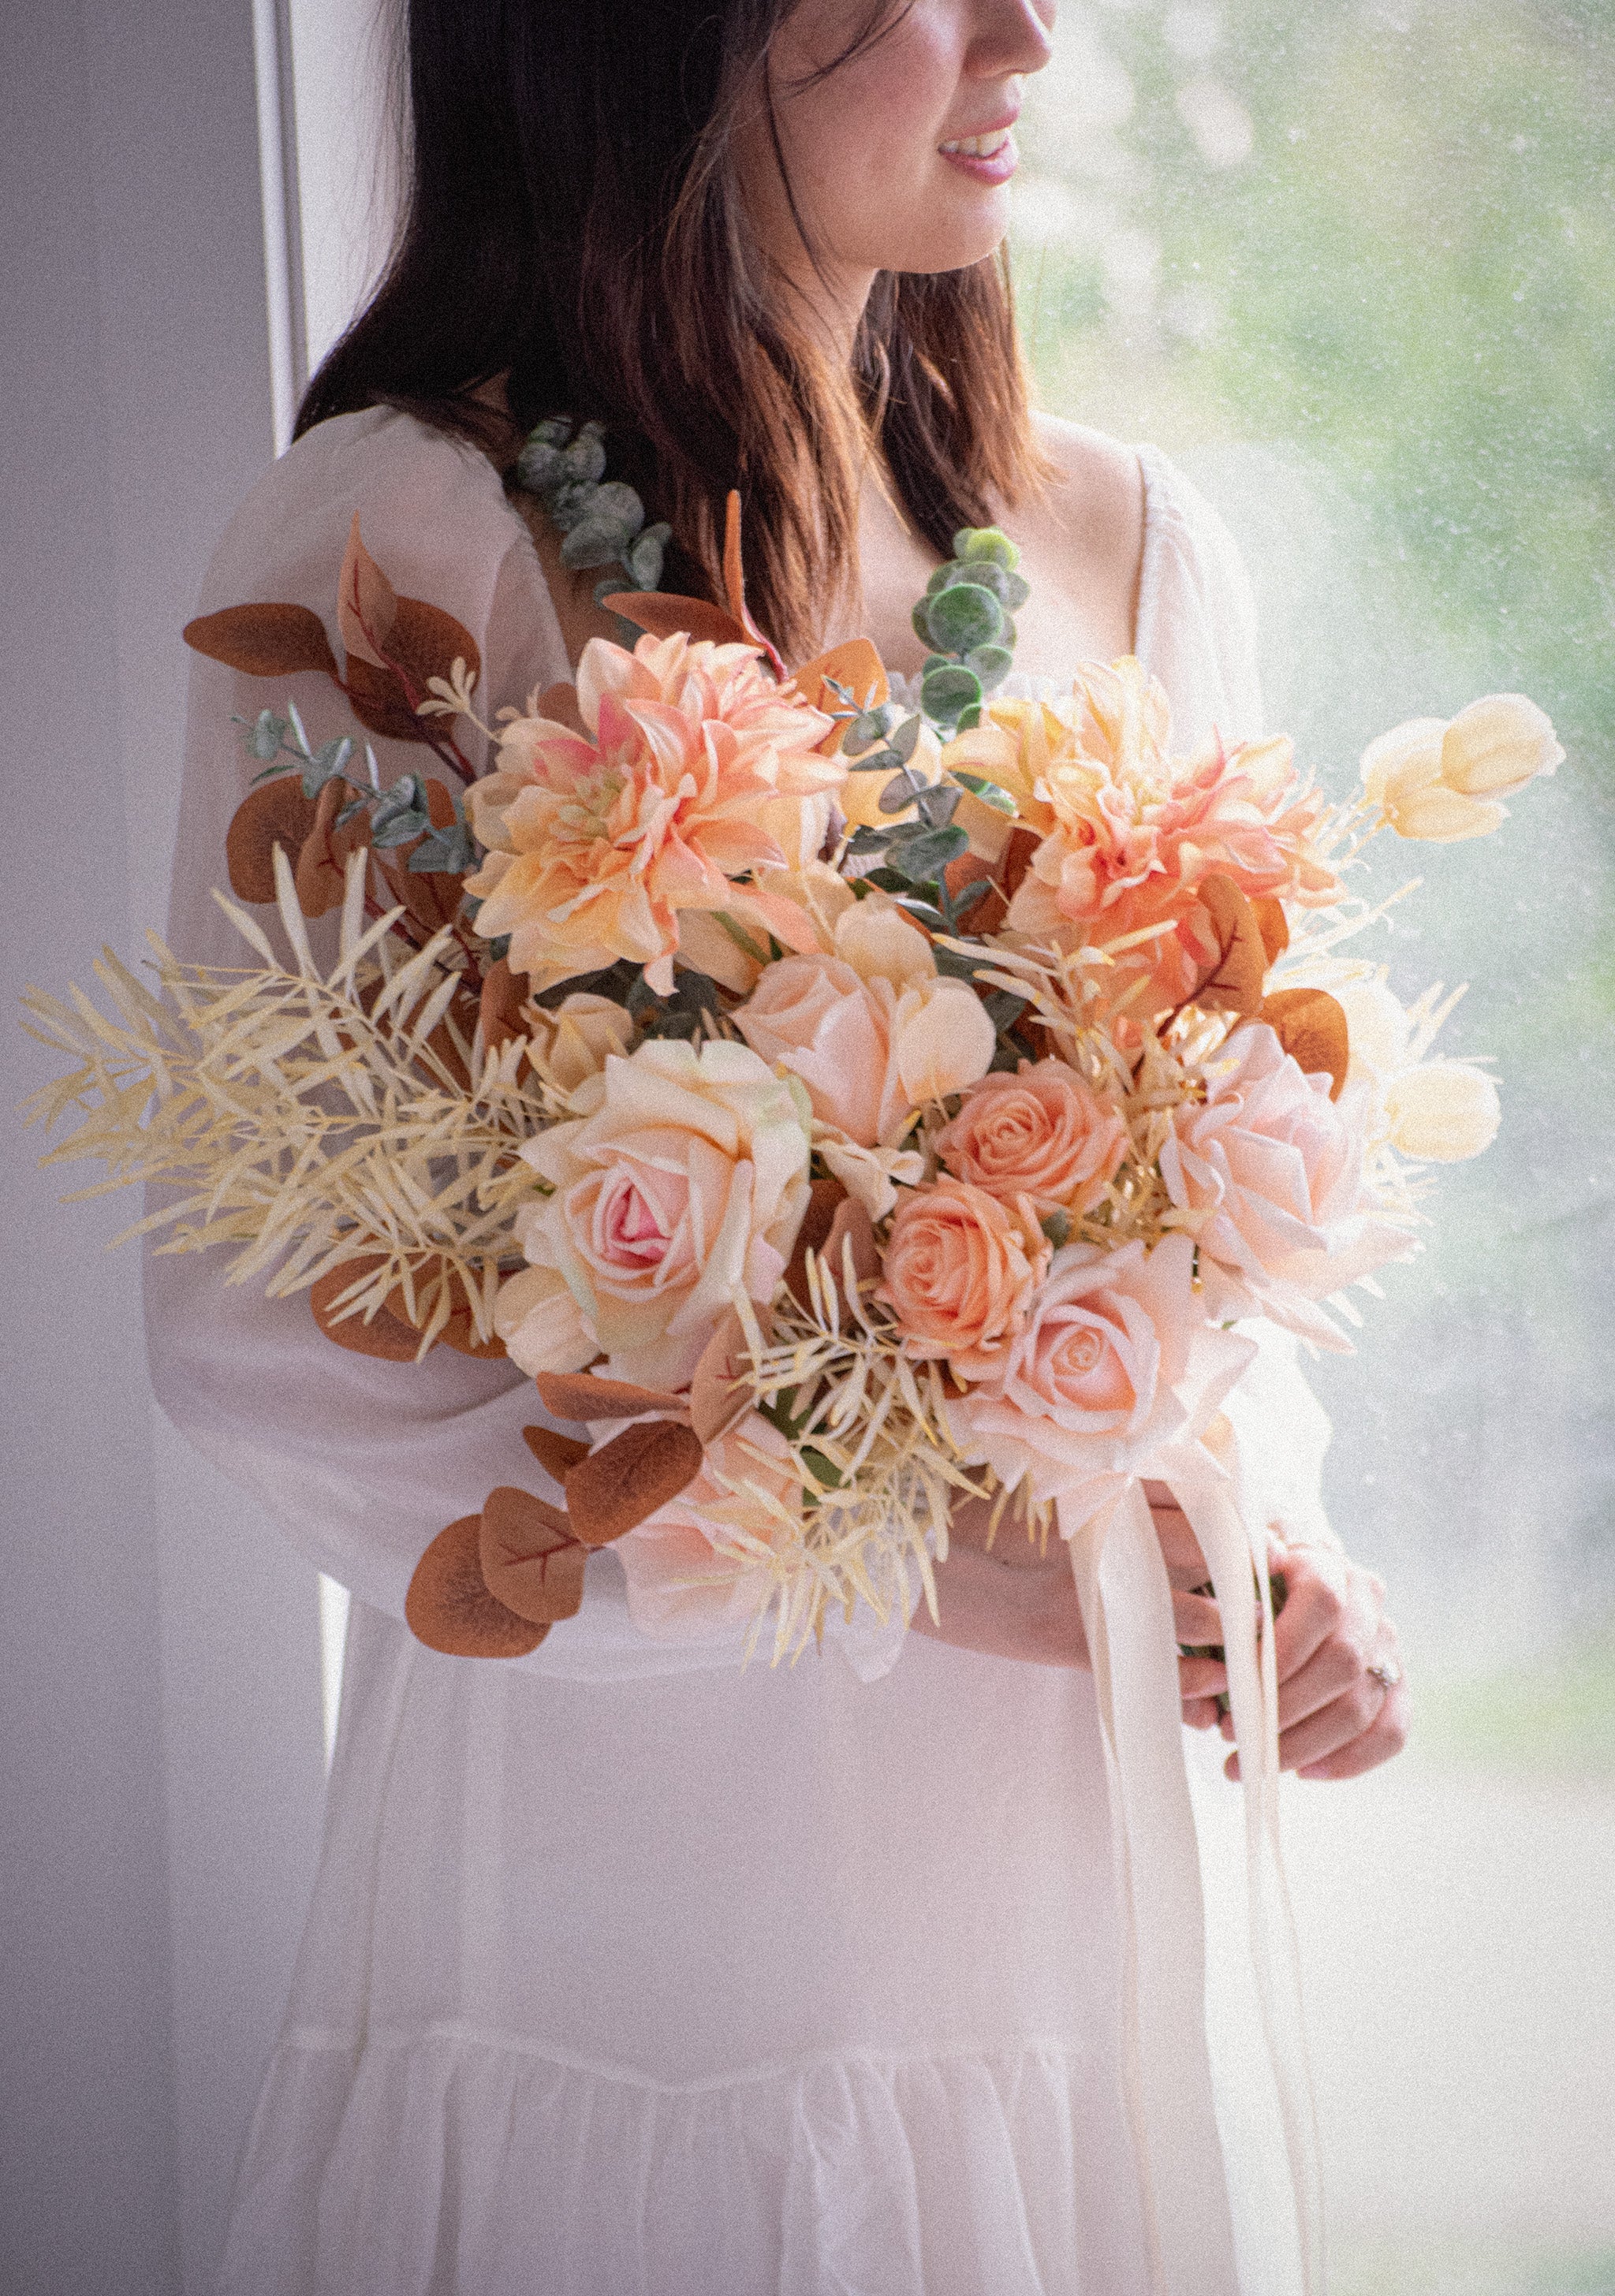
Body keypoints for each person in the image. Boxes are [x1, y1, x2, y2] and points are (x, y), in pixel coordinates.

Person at [149, 3, 1410, 2290]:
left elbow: (1216, 1232)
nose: (1034, 29)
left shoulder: (1137, 542)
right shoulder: (412, 543)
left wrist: (1270, 1575)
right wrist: (920, 1569)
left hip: (1048, 1934)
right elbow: (273, 1348)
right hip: (642, 1941)